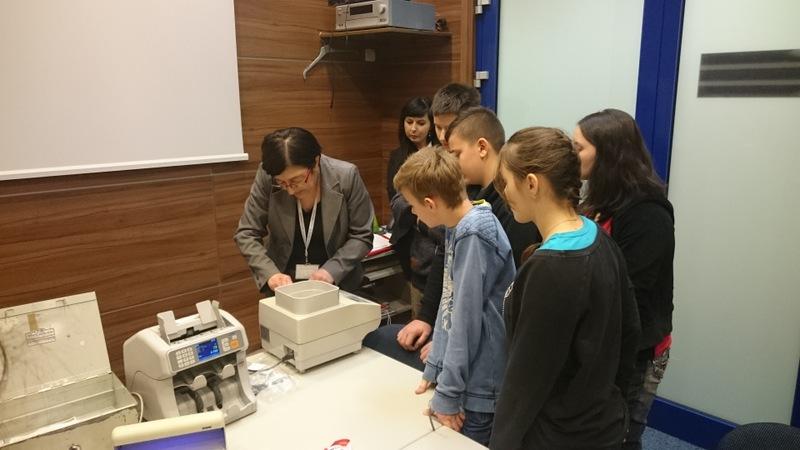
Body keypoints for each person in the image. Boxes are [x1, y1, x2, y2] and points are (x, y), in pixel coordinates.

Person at [490, 127, 640, 450]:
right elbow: (630, 333)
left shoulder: (550, 269)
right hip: (602, 423)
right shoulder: (599, 237)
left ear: (532, 183)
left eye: (506, 182)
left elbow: (525, 381)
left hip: (560, 435)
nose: (504, 192)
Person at [393, 147, 514, 446]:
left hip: (482, 385)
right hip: (465, 378)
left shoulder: (474, 233)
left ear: (430, 203)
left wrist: (447, 395)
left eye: (413, 206)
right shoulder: (457, 225)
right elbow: (448, 300)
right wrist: (436, 366)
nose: (413, 213)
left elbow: (465, 320)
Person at [574, 109, 675, 450]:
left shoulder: (648, 212)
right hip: (607, 343)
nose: (572, 155)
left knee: (622, 434)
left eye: (579, 148)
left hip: (637, 351)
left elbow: (629, 291)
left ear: (607, 154)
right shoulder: (603, 199)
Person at [364, 84, 481, 369]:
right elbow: (401, 205)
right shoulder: (406, 157)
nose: (443, 137)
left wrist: (447, 338)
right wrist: (430, 321)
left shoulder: (481, 208)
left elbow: (478, 296)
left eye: (447, 129)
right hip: (427, 273)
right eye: (438, 128)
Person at [234, 127, 374, 293]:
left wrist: (332, 270)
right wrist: (270, 273)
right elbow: (246, 233)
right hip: (285, 283)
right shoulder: (267, 176)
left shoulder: (346, 176)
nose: (290, 190)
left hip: (338, 281)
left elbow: (362, 235)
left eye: (296, 180)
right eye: (282, 183)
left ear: (316, 162)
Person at [445, 106, 541, 266]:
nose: (453, 163)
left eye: (457, 154)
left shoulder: (514, 202)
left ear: (482, 148)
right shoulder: (471, 193)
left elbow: (515, 266)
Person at [385, 97, 440, 317]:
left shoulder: (441, 154)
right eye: (409, 122)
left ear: (431, 125)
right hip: (408, 235)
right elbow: (394, 197)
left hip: (436, 237)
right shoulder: (398, 156)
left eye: (420, 123)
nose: (414, 128)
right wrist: (417, 214)